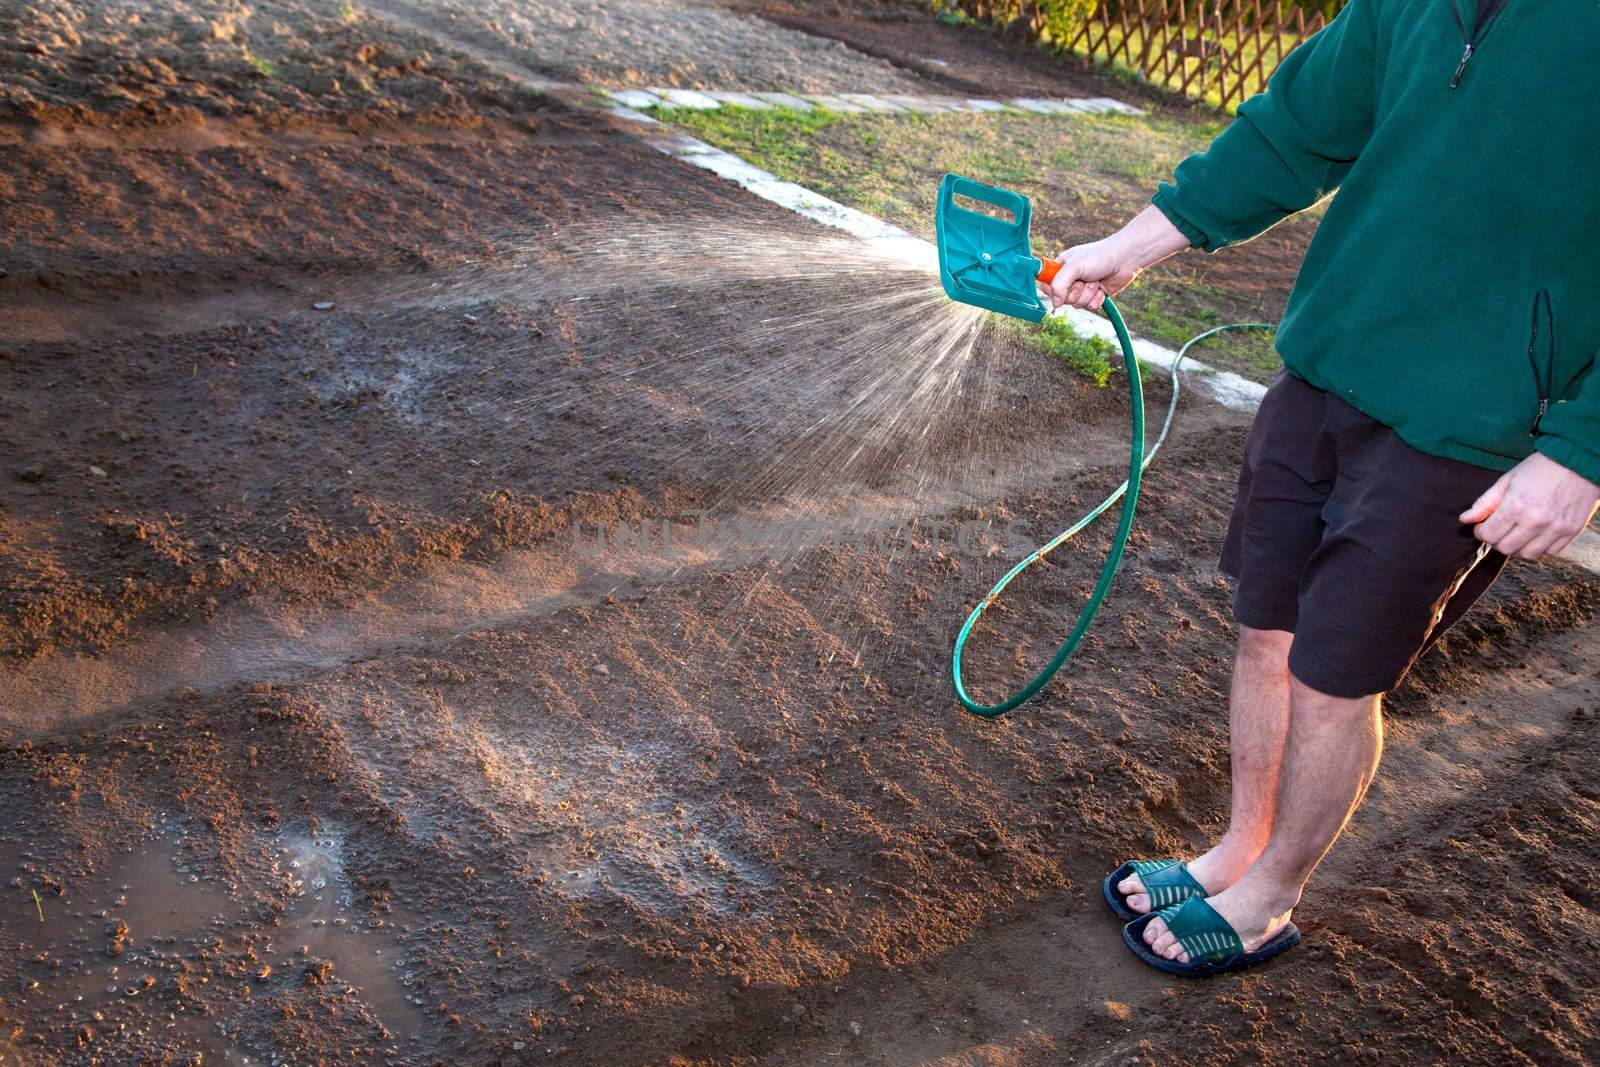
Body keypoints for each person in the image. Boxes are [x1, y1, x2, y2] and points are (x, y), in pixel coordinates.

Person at [1050, 0, 1600, 975]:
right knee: (1268, 629)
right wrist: (1126, 248)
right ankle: (1236, 847)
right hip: (1325, 368)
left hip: (1472, 423)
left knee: (1332, 674)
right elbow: (1294, 128)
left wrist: (1581, 451)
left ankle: (1268, 896)